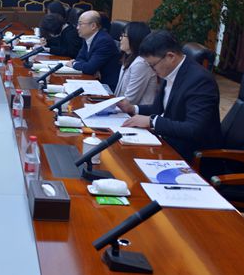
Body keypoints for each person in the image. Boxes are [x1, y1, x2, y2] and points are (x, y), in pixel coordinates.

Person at [118, 30, 222, 161]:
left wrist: (152, 121)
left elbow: (194, 129)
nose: (152, 69)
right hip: (167, 143)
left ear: (170, 57)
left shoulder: (200, 81)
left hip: (192, 156)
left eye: (152, 65)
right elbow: (163, 110)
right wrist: (133, 108)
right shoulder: (170, 70)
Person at [64, 10, 121, 91]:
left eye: (80, 24)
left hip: (105, 87)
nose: (77, 27)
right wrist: (90, 68)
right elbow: (80, 59)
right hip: (93, 81)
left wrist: (73, 64)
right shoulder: (88, 37)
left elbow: (89, 68)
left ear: (93, 26)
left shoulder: (104, 41)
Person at [113, 22, 158, 105]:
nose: (120, 38)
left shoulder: (141, 64)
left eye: (123, 35)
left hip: (136, 111)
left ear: (134, 38)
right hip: (121, 107)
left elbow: (130, 100)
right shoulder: (128, 57)